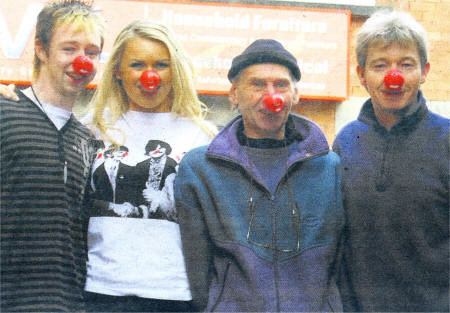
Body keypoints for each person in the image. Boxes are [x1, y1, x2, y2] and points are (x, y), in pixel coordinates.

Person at [174, 39, 344, 312]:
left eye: (281, 85)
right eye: (257, 84)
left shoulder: (328, 166)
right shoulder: (200, 169)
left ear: (295, 95)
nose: (270, 96)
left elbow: (337, 260)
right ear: (234, 93)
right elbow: (197, 268)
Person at [82, 19, 216, 312]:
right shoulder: (92, 128)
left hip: (173, 292)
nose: (149, 75)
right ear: (118, 70)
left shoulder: (203, 135)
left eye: (161, 64)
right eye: (137, 64)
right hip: (101, 289)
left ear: (175, 70)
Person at [333, 10, 449, 312]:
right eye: (380, 65)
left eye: (405, 65)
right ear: (361, 75)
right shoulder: (346, 142)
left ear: (424, 72)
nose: (392, 77)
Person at [0, 0, 105, 311]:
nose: (81, 62)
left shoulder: (87, 140)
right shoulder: (4, 111)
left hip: (65, 304)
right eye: (68, 49)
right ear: (41, 50)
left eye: (91, 52)